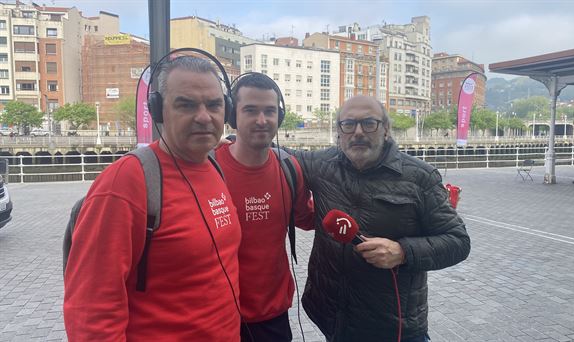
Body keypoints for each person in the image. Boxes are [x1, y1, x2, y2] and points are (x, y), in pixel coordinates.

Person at [64, 56, 242, 341]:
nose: (204, 116)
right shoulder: (126, 182)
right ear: (158, 110)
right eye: (186, 104)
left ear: (227, 110)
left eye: (214, 104)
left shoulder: (214, 168)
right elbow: (91, 310)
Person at [289, 96, 471, 341]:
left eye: (369, 123)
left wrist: (403, 252)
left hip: (393, 326)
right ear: (339, 131)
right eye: (348, 124)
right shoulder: (321, 164)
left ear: (386, 129)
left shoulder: (421, 177)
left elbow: (458, 242)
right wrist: (236, 143)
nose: (358, 132)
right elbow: (278, 155)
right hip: (331, 317)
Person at [214, 72, 314, 342]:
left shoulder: (290, 169)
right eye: (250, 110)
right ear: (232, 115)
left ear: (279, 117)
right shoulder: (206, 167)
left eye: (270, 111)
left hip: (273, 316)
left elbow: (308, 217)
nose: (262, 120)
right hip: (217, 316)